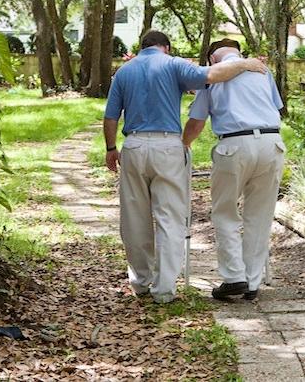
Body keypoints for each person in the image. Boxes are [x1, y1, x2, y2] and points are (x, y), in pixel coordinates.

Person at [104, 31, 268, 304]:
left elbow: (110, 116)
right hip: (167, 146)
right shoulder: (173, 63)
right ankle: (165, 290)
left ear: (141, 47)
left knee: (133, 217)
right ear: (165, 47)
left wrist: (111, 148)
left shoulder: (124, 72)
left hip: (132, 146)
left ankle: (140, 282)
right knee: (169, 217)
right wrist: (244, 63)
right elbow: (212, 75)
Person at [181, 39, 285, 301]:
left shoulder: (212, 76)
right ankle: (252, 281)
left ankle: (234, 277)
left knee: (225, 211)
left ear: (212, 59)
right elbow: (277, 108)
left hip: (234, 144)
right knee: (260, 215)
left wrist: (182, 146)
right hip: (272, 143)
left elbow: (196, 123)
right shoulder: (262, 70)